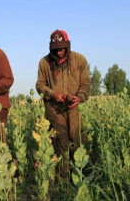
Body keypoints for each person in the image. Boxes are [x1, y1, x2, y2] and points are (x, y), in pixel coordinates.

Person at [35, 29, 90, 179]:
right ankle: (63, 180)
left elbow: (85, 84)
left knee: (78, 140)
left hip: (74, 107)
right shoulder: (44, 62)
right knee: (61, 143)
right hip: (54, 109)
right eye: (56, 49)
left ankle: (81, 177)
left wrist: (79, 98)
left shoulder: (80, 60)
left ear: (67, 46)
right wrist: (53, 94)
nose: (59, 52)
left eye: (62, 48)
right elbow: (39, 85)